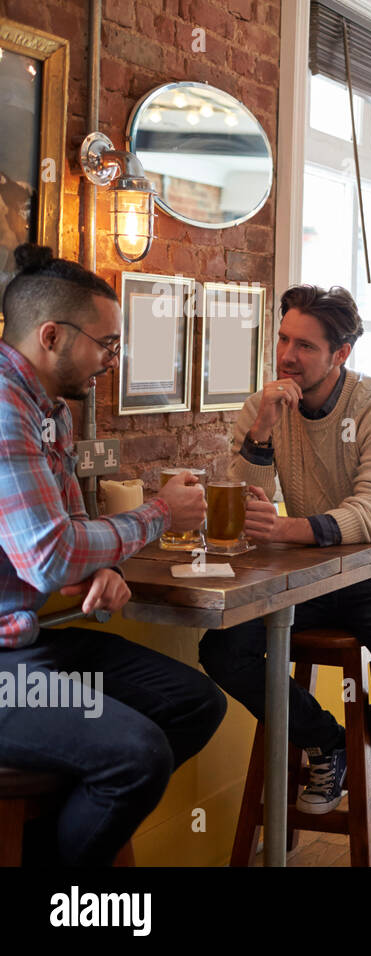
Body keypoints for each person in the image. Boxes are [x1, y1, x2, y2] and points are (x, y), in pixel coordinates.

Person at [0, 243, 223, 865]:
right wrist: (159, 516)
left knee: (194, 702)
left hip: (29, 648)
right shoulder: (3, 408)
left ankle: (51, 857)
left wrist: (106, 565)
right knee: (137, 754)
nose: (111, 359)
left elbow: (71, 530)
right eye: (107, 343)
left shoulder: (50, 413)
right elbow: (49, 558)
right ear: (51, 335)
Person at [199, 285, 371, 814]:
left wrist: (285, 530)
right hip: (303, 572)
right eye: (284, 338)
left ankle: (369, 746)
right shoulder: (262, 408)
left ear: (341, 353)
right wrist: (260, 433)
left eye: (305, 346)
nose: (287, 355)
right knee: (222, 651)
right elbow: (243, 506)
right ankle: (328, 743)